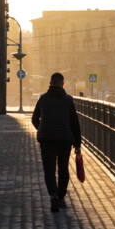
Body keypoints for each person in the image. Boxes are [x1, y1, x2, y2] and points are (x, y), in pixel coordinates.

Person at [31, 72, 82, 213]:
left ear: (50, 83)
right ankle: (60, 197)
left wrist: (42, 128)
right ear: (62, 84)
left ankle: (53, 194)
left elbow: (34, 119)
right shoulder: (68, 100)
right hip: (64, 140)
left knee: (49, 169)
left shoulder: (42, 99)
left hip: (47, 139)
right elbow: (75, 124)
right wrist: (78, 144)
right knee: (63, 168)